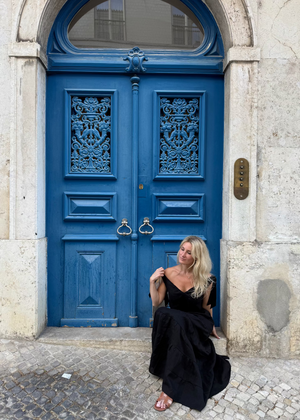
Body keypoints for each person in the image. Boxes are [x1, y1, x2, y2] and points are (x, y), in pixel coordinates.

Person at [149, 236, 231, 412]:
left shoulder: (208, 279)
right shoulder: (168, 273)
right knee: (164, 313)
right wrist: (152, 281)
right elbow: (157, 302)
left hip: (196, 322)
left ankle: (168, 391)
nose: (183, 255)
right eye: (182, 250)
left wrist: (211, 327)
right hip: (177, 323)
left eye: (189, 252)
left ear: (197, 257)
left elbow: (207, 308)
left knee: (174, 320)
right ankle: (172, 382)